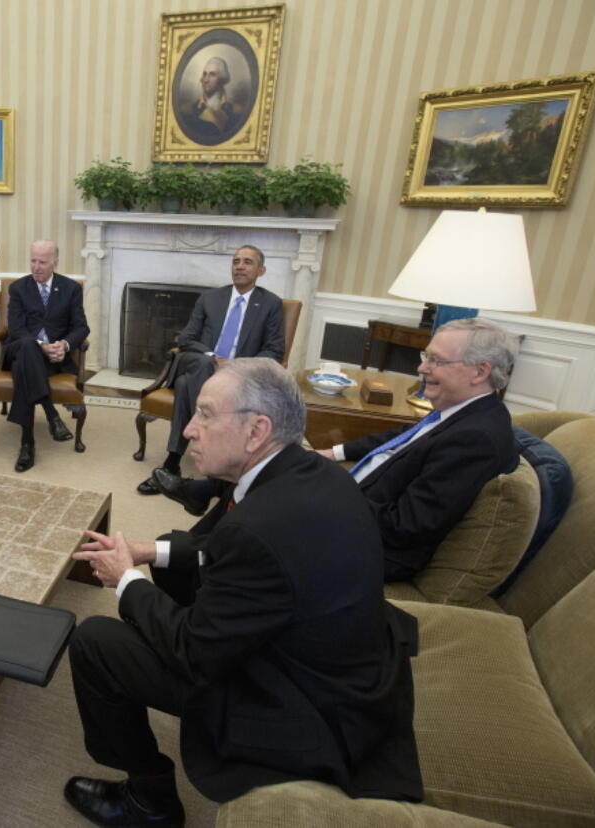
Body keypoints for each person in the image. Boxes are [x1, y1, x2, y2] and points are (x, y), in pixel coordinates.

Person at [66, 358, 422, 826]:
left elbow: (193, 652)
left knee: (95, 642)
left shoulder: (259, 529)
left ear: (257, 431)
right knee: (175, 566)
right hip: (342, 665)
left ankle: (148, 798)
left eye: (206, 415)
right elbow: (223, 546)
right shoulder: (309, 473)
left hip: (303, 704)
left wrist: (126, 577)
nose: (190, 429)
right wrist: (148, 551)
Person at [158, 317, 521, 582]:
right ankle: (197, 538)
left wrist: (329, 489)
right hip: (355, 505)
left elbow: (407, 527)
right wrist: (334, 453)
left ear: (480, 371)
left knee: (268, 458)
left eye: (437, 361)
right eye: (426, 356)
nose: (422, 367)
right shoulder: (458, 415)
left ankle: (198, 554)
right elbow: (393, 442)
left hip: (365, 544)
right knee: (263, 453)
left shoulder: (477, 439)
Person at [137, 244, 284, 496]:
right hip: (199, 361)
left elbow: (274, 350)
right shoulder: (210, 298)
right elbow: (186, 339)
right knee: (203, 364)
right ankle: (217, 458)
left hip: (238, 374)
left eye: (247, 262)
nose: (239, 266)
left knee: (185, 385)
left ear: (261, 270)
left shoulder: (270, 303)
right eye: (236, 261)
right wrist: (213, 358)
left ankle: (172, 463)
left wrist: (236, 368)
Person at [0, 240, 88, 473]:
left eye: (42, 262)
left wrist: (64, 346)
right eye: (33, 260)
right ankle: (52, 415)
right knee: (28, 344)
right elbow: (16, 329)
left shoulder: (71, 289)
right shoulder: (19, 288)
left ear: (55, 263)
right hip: (19, 349)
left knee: (24, 369)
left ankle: (27, 444)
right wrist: (41, 345)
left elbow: (81, 328)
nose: (36, 267)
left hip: (50, 359)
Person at [178, 57, 247, 145]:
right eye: (204, 74)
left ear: (222, 79)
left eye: (212, 74)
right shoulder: (187, 111)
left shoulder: (238, 111)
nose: (206, 80)